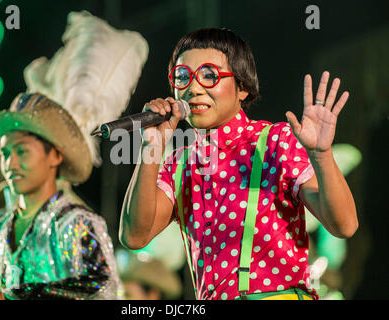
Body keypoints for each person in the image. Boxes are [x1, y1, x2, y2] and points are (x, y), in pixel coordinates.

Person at [119, 28, 358, 300]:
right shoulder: (179, 163)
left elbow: (344, 225)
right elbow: (134, 236)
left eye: (209, 75)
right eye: (183, 77)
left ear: (242, 87)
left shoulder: (274, 142)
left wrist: (322, 154)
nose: (194, 88)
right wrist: (152, 148)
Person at [0, 92, 122, 300]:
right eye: (5, 154)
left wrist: (12, 298)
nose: (10, 164)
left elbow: (102, 292)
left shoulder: (76, 223)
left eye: (22, 152)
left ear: (54, 156)